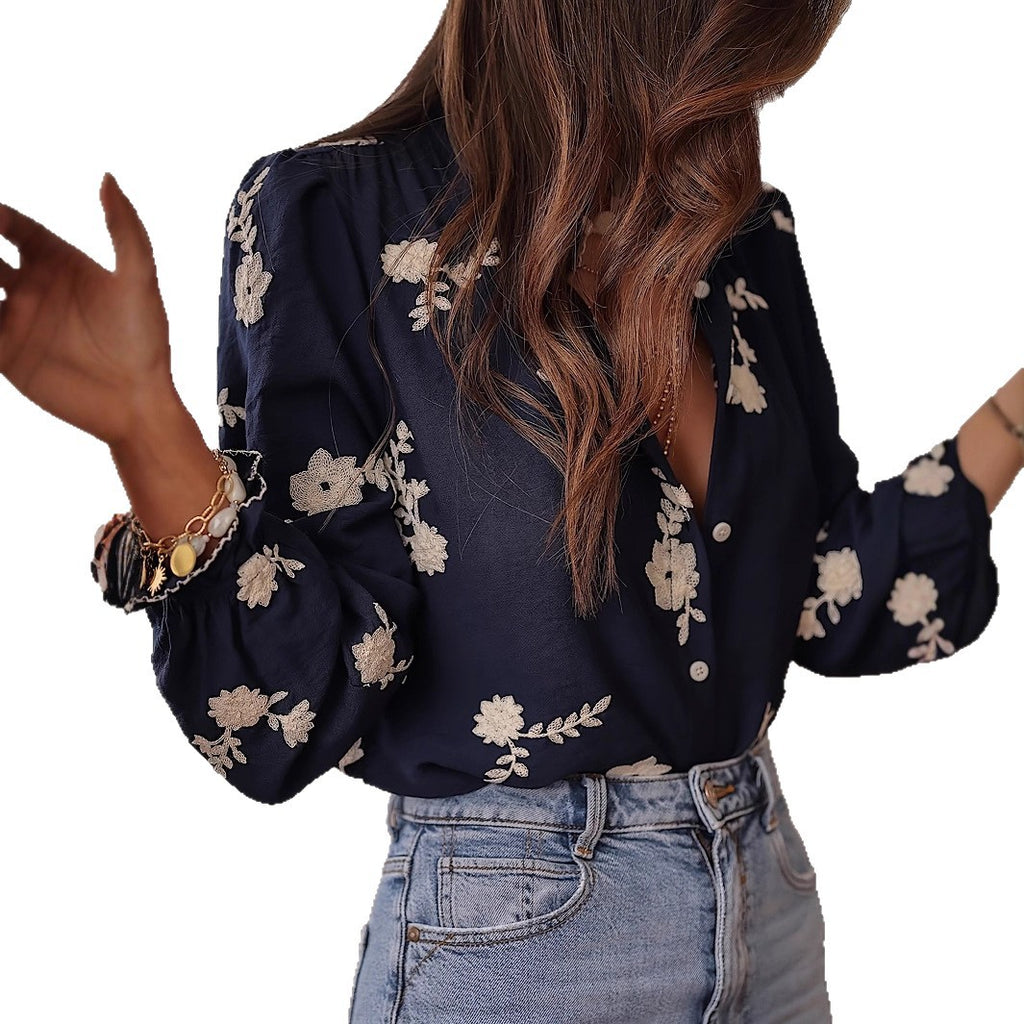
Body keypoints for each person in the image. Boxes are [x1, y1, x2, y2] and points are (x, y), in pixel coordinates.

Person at [1, 1, 1021, 1021]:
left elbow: (825, 591)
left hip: (767, 899)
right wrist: (146, 425)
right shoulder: (336, 214)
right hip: (520, 932)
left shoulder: (738, 234)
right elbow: (290, 710)